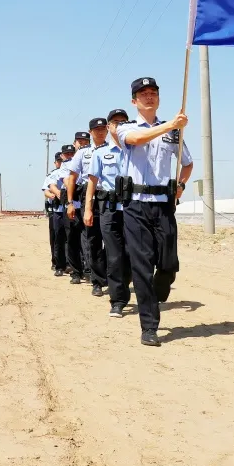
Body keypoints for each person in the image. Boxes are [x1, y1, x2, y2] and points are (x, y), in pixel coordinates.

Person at [116, 77, 193, 347]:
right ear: (134, 101)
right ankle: (149, 325)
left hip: (163, 204)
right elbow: (136, 139)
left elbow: (187, 162)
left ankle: (161, 288)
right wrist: (171, 124)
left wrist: (181, 184)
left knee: (169, 262)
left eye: (153, 93)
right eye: (143, 93)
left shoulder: (173, 132)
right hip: (135, 204)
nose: (149, 97)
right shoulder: (124, 128)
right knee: (142, 265)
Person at [85, 108, 131, 317]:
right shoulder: (100, 154)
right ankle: (118, 300)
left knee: (132, 254)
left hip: (132, 209)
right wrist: (88, 209)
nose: (119, 126)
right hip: (109, 210)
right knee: (114, 255)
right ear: (109, 126)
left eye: (124, 122)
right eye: (115, 122)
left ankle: (129, 284)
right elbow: (92, 184)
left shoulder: (136, 150)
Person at [74, 118, 109, 297]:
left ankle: (108, 274)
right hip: (89, 198)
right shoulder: (83, 153)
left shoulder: (115, 150)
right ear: (90, 132)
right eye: (97, 130)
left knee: (111, 241)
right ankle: (97, 281)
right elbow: (73, 176)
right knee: (93, 239)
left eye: (103, 129)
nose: (100, 132)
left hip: (109, 198)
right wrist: (71, 202)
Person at [62, 131, 91, 284]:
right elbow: (67, 182)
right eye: (79, 141)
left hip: (87, 200)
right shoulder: (67, 164)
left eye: (85, 141)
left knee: (87, 238)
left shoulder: (94, 156)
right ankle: (75, 271)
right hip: (74, 200)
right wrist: (70, 202)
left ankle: (88, 270)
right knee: (72, 238)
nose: (82, 144)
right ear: (75, 144)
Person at [48, 145, 76, 277]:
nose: (69, 156)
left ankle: (72, 265)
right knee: (58, 237)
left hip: (72, 208)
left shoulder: (78, 168)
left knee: (71, 238)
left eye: (72, 153)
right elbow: (50, 187)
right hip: (59, 210)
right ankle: (59, 265)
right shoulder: (55, 173)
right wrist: (59, 194)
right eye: (66, 154)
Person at [42, 152, 65, 272]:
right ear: (55, 162)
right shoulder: (52, 175)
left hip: (67, 209)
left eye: (62, 160)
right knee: (55, 237)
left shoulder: (70, 172)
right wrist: (53, 195)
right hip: (55, 209)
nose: (60, 163)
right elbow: (46, 190)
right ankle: (56, 262)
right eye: (58, 161)